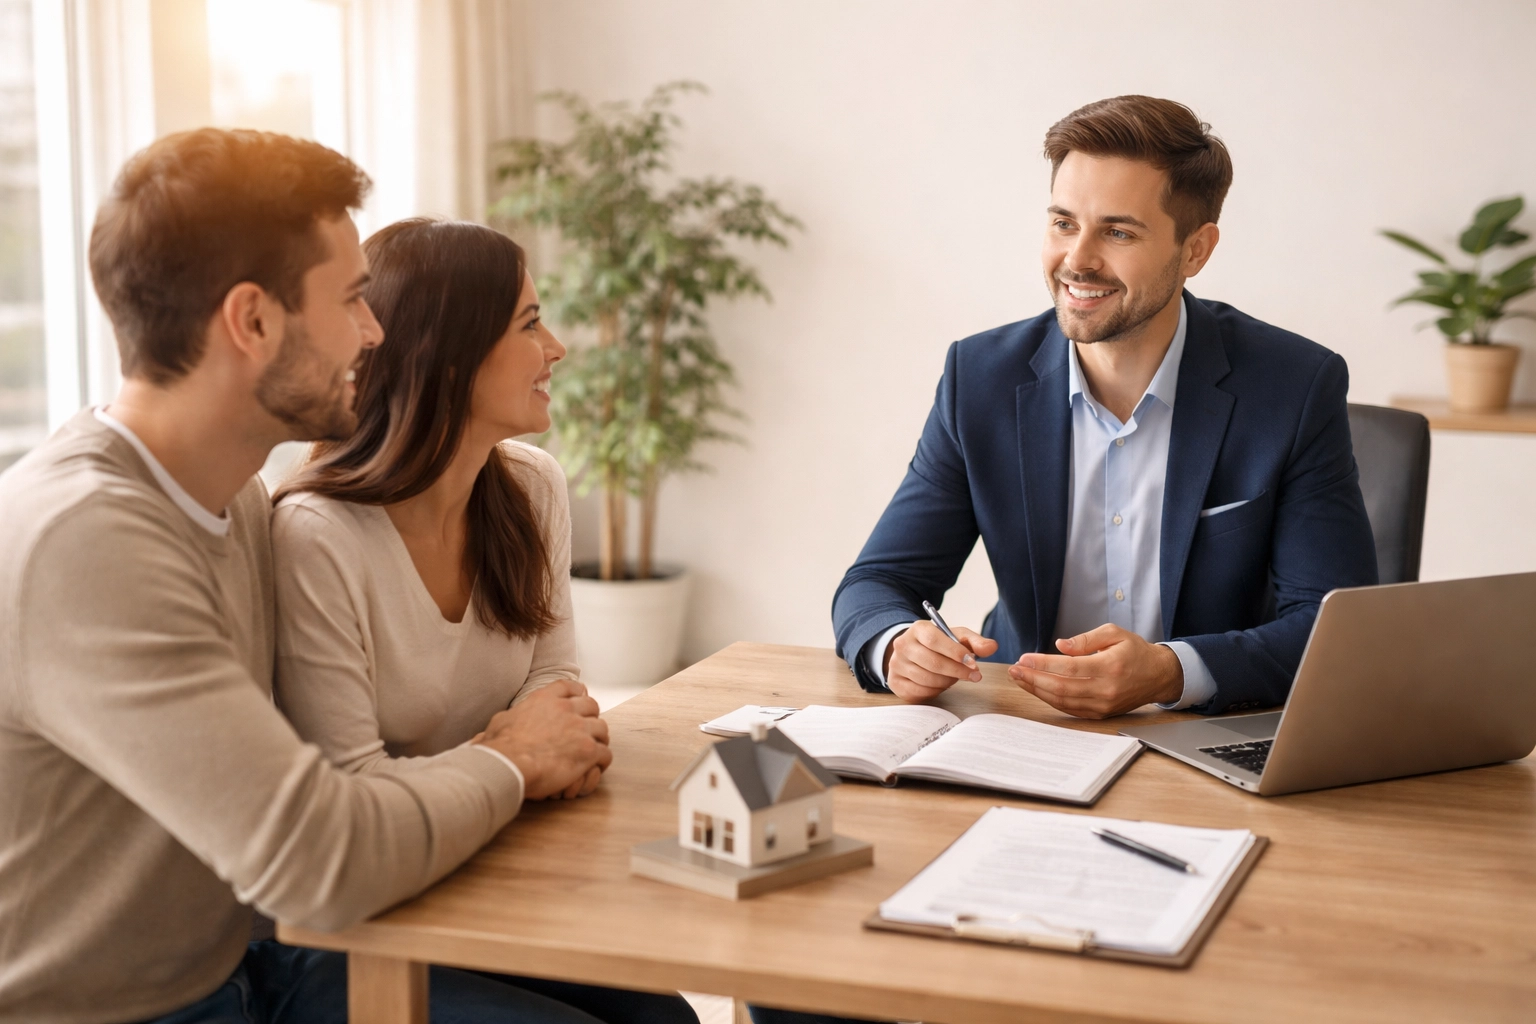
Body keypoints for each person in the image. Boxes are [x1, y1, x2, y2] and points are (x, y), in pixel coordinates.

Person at [0, 129, 613, 1024]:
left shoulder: (237, 499)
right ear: (252, 321)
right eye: (354, 300)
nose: (375, 333)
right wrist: (509, 757)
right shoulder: (86, 540)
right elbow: (322, 858)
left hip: (240, 967)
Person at [269, 217, 697, 1024]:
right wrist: (512, 757)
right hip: (344, 927)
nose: (558, 349)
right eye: (531, 325)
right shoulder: (314, 536)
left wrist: (518, 755)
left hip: (486, 867)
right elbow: (352, 797)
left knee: (667, 1017)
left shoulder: (532, 487)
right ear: (448, 353)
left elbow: (558, 695)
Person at [832, 95, 1378, 720]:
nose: (1077, 260)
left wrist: (1171, 672)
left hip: (1206, 734)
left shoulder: (1293, 386)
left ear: (1196, 250)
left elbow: (1333, 625)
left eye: (1117, 232)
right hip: (1022, 724)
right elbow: (877, 584)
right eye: (1064, 223)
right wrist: (897, 643)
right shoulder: (979, 378)